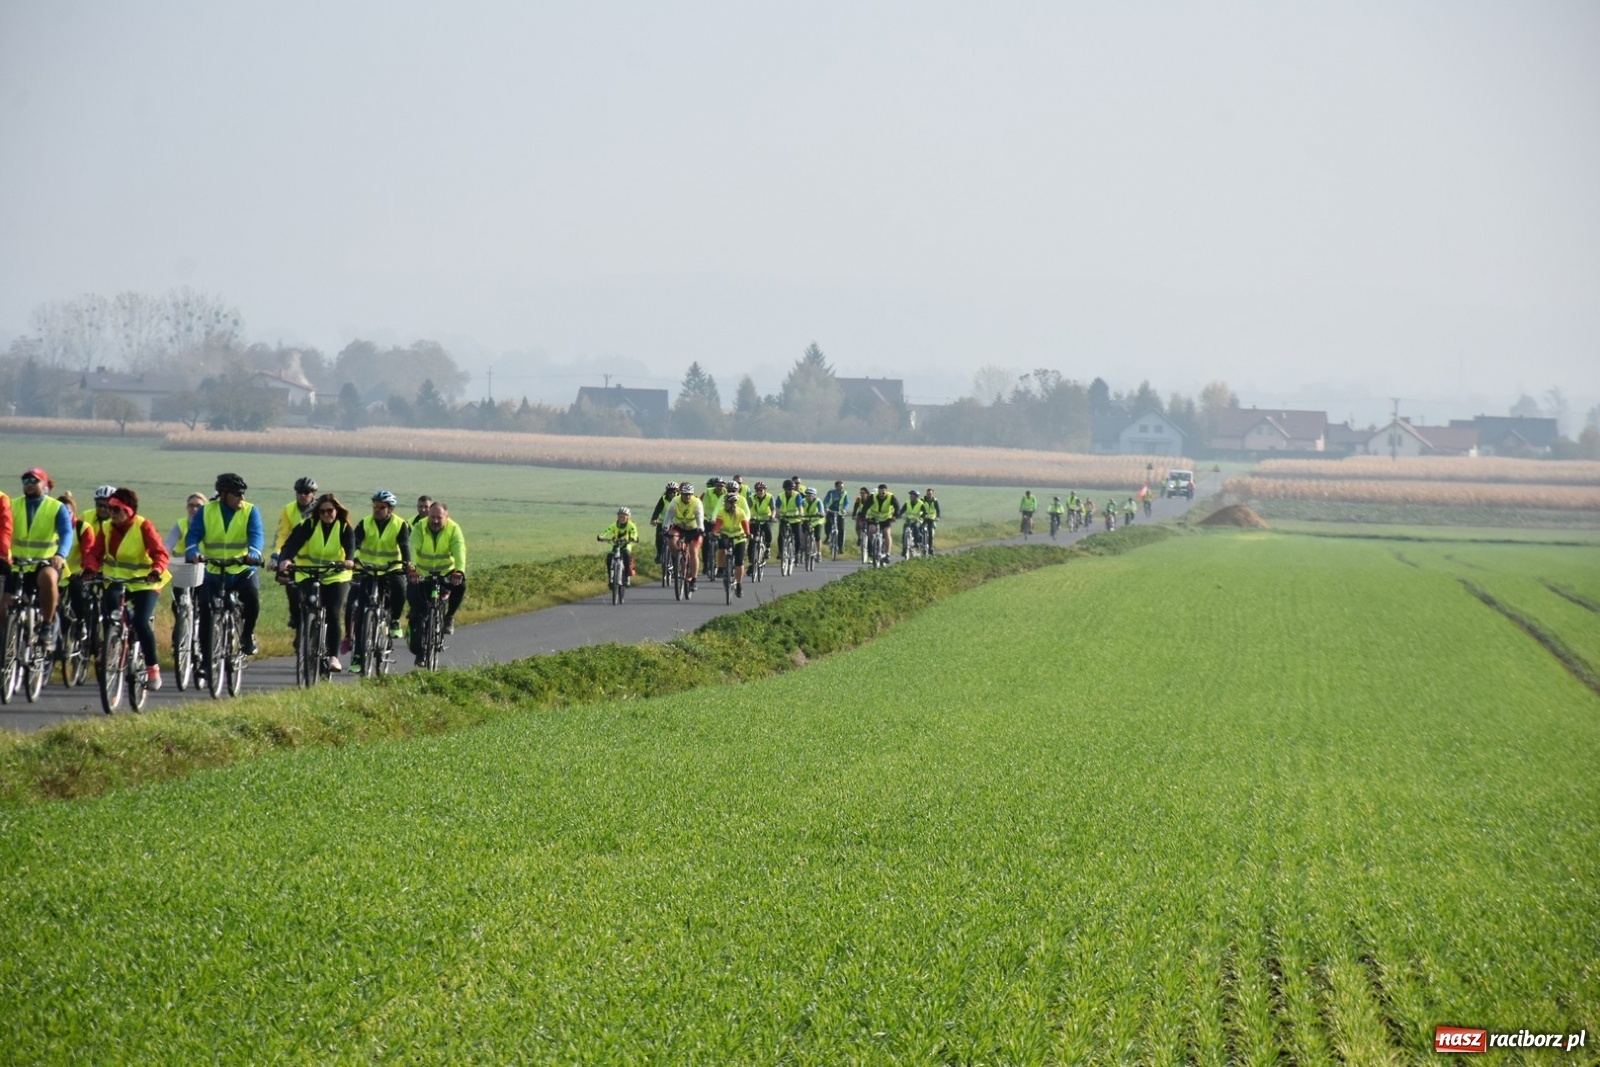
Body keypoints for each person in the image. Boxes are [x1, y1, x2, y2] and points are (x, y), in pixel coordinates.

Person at [83, 487, 170, 690]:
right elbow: (94, 553)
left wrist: (156, 570)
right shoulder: (106, 528)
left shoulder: (143, 526)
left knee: (141, 621)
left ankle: (152, 669)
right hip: (117, 580)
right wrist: (90, 568)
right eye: (109, 508)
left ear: (129, 511)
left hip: (145, 582)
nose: (111, 513)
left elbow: (160, 553)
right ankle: (116, 638)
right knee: (110, 609)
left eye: (116, 509)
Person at [186, 472, 265, 665]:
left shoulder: (250, 511)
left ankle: (246, 635)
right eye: (237, 494)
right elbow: (193, 535)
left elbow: (256, 535)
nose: (242, 498)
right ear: (223, 494)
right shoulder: (207, 511)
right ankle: (205, 661)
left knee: (252, 599)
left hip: (241, 569)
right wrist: (193, 552)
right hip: (214, 569)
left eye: (243, 493)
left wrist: (253, 554)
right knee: (205, 610)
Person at [277, 492, 355, 671]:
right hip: (309, 573)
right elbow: (291, 544)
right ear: (317, 513)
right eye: (322, 512)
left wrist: (349, 560)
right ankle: (309, 638)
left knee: (333, 612)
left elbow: (350, 545)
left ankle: (333, 656)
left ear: (337, 511)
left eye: (330, 511)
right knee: (307, 605)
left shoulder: (343, 527)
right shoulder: (308, 525)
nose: (326, 515)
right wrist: (286, 559)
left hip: (336, 574)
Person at [4, 469, 74, 644]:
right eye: (25, 480)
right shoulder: (13, 504)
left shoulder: (56, 507)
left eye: (34, 480)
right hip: (16, 564)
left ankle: (47, 624)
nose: (28, 483)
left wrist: (60, 554)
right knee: (4, 607)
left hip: (43, 562)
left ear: (45, 485)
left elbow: (66, 533)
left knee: (49, 578)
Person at [349, 490, 414, 672]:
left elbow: (405, 545)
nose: (377, 509)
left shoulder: (400, 525)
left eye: (381, 506)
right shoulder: (365, 523)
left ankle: (394, 620)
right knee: (361, 612)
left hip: (391, 568)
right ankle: (358, 656)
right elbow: (355, 543)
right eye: (375, 506)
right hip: (368, 569)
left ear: (390, 509)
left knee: (400, 589)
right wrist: (351, 559)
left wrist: (407, 564)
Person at [408, 500, 467, 665]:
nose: (434, 521)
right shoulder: (420, 527)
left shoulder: (454, 529)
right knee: (418, 613)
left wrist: (459, 571)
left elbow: (459, 550)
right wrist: (411, 569)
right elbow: (412, 548)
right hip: (422, 574)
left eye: (439, 518)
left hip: (446, 572)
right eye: (432, 517)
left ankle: (449, 617)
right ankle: (420, 652)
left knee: (461, 586)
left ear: (446, 517)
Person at [272, 477, 320, 645]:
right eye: (299, 492)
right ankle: (297, 621)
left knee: (320, 600)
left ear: (314, 494)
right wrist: (277, 555)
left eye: (306, 492)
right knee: (294, 595)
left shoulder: (322, 509)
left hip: (317, 559)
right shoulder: (289, 509)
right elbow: (282, 534)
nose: (302, 495)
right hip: (294, 559)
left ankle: (321, 631)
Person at [56, 491, 97, 637]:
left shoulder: (82, 528)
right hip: (58, 572)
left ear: (74, 512)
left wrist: (87, 569)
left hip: (76, 572)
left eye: (68, 512)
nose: (65, 516)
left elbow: (88, 551)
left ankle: (81, 622)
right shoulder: (52, 526)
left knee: (77, 592)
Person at [663, 483, 705, 591]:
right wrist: (665, 528)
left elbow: (699, 516)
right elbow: (669, 515)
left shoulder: (697, 502)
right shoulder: (675, 501)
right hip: (680, 526)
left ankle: (694, 580)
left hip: (694, 528)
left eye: (690, 494)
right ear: (681, 494)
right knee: (671, 539)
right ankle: (677, 559)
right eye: (685, 494)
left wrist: (701, 528)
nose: (687, 497)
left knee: (693, 551)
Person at [710, 492, 750, 597]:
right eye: (725, 502)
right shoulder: (721, 511)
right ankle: (721, 568)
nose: (725, 505)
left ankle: (739, 585)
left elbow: (745, 524)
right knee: (722, 547)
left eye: (727, 503)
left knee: (739, 562)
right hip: (725, 535)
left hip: (739, 538)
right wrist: (714, 533)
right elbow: (718, 524)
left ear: (733, 504)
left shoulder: (740, 512)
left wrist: (748, 534)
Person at [596, 506, 639, 586]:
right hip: (616, 545)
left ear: (628, 518)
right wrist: (601, 536)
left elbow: (634, 532)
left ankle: (626, 576)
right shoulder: (614, 525)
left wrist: (633, 538)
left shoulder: (631, 525)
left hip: (626, 545)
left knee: (626, 554)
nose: (621, 518)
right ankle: (611, 578)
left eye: (624, 516)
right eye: (620, 516)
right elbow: (607, 530)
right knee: (609, 557)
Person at [864, 484, 899, 562]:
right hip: (874, 518)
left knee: (886, 532)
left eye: (883, 493)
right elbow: (865, 507)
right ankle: (874, 546)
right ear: (878, 492)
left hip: (886, 519)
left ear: (886, 492)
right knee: (871, 530)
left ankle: (887, 554)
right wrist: (863, 515)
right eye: (880, 493)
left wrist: (895, 516)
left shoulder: (891, 497)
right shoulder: (873, 497)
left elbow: (897, 507)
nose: (881, 495)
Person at [649, 481, 679, 565]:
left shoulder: (680, 499)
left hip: (676, 523)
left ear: (677, 492)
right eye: (670, 492)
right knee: (659, 538)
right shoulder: (663, 499)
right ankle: (659, 554)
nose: (672, 494)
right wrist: (654, 519)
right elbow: (657, 509)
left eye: (674, 492)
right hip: (663, 522)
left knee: (676, 540)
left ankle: (677, 558)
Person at [746, 481, 776, 561]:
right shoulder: (751, 498)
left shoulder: (770, 497)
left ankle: (767, 549)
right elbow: (746, 509)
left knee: (768, 531)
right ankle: (751, 562)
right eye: (757, 490)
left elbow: (773, 509)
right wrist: (747, 518)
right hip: (754, 520)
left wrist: (772, 517)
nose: (759, 492)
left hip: (766, 519)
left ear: (765, 490)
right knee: (751, 540)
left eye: (761, 490)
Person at [822, 480, 848, 554]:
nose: (841, 489)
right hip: (831, 511)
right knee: (828, 523)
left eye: (842, 487)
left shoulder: (844, 493)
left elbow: (847, 503)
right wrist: (826, 507)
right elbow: (826, 500)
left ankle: (840, 547)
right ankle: (828, 536)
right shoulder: (830, 493)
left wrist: (845, 509)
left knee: (841, 530)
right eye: (840, 487)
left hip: (840, 512)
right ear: (836, 487)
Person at [801, 487, 825, 561]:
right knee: (804, 533)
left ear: (814, 495)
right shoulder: (802, 501)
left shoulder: (818, 502)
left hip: (817, 520)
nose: (808, 497)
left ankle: (818, 553)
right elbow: (799, 508)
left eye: (810, 495)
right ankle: (805, 548)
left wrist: (820, 513)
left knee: (817, 536)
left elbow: (821, 510)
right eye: (807, 495)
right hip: (806, 519)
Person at [900, 490, 927, 554]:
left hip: (916, 520)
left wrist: (921, 517)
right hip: (909, 520)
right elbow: (902, 510)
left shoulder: (920, 503)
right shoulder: (907, 502)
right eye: (910, 495)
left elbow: (925, 512)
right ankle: (904, 547)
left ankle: (917, 542)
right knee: (904, 531)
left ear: (916, 497)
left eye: (912, 495)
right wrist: (898, 515)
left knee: (916, 528)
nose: (910, 496)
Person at [921, 487, 941, 554]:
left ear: (933, 494)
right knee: (920, 529)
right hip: (924, 517)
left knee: (930, 531)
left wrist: (937, 517)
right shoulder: (922, 500)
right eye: (928, 494)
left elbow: (938, 510)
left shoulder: (935, 501)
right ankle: (921, 544)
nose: (929, 495)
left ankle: (930, 547)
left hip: (931, 518)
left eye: (930, 494)